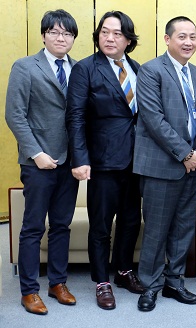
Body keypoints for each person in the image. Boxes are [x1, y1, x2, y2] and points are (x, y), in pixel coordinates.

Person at [66, 11, 144, 310]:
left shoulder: (136, 68)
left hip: (136, 161)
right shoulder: (86, 69)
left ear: (128, 40)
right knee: (101, 225)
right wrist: (80, 158)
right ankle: (101, 281)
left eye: (118, 33)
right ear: (98, 35)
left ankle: (123, 271)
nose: (110, 38)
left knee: (130, 221)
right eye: (105, 32)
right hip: (102, 161)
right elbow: (75, 117)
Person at [133, 16, 196, 312]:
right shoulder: (151, 71)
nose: (188, 42)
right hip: (161, 165)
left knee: (183, 227)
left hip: (193, 165)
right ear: (168, 39)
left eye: (192, 36)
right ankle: (150, 285)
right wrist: (185, 154)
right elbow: (153, 119)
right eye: (182, 36)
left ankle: (174, 281)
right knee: (156, 228)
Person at [5, 9, 79, 316]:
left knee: (62, 225)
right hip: (38, 162)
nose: (61, 38)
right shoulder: (24, 67)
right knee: (33, 228)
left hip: (69, 162)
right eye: (55, 32)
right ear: (44, 34)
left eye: (67, 34)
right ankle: (30, 290)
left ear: (73, 38)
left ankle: (58, 283)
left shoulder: (79, 69)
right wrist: (36, 153)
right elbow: (15, 115)